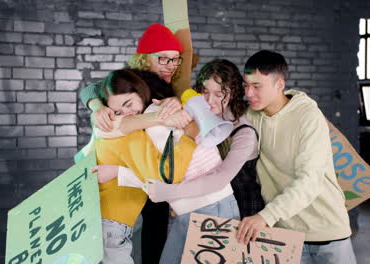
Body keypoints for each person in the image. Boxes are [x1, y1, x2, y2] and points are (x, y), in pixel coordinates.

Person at [78, 23, 186, 263]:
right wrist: (97, 107)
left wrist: (176, 104)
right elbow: (89, 90)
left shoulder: (168, 86)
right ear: (144, 58)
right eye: (163, 59)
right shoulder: (127, 82)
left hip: (149, 168)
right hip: (126, 168)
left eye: (175, 60)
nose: (170, 66)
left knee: (153, 227)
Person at [236, 50, 356, 264]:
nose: (249, 93)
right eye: (246, 85)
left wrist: (265, 216)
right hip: (285, 234)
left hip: (326, 232)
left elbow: (310, 181)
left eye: (257, 86)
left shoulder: (308, 117)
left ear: (280, 84)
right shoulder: (251, 116)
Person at [143, 59, 265, 262]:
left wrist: (169, 192)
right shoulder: (199, 111)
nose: (210, 100)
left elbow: (220, 178)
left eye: (219, 94)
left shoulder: (244, 132)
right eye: (205, 92)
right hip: (196, 201)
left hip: (237, 211)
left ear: (233, 93)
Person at [87, 69, 198, 264]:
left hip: (105, 218)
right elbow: (167, 176)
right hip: (112, 225)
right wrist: (189, 137)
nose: (127, 114)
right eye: (118, 112)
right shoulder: (128, 134)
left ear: (141, 92)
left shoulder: (116, 126)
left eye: (128, 104)